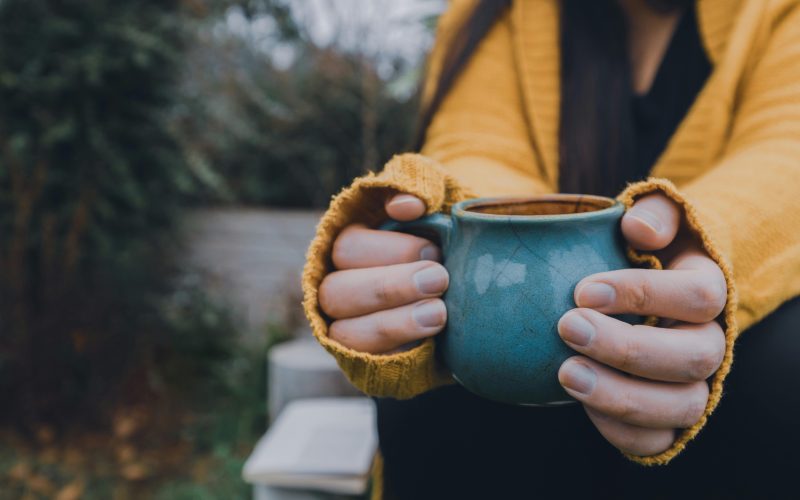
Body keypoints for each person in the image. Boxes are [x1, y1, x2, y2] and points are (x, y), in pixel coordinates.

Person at [301, 0, 800, 498]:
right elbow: (476, 146)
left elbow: (786, 151)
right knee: (448, 377)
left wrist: (696, 241)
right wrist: (452, 234)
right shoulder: (493, 12)